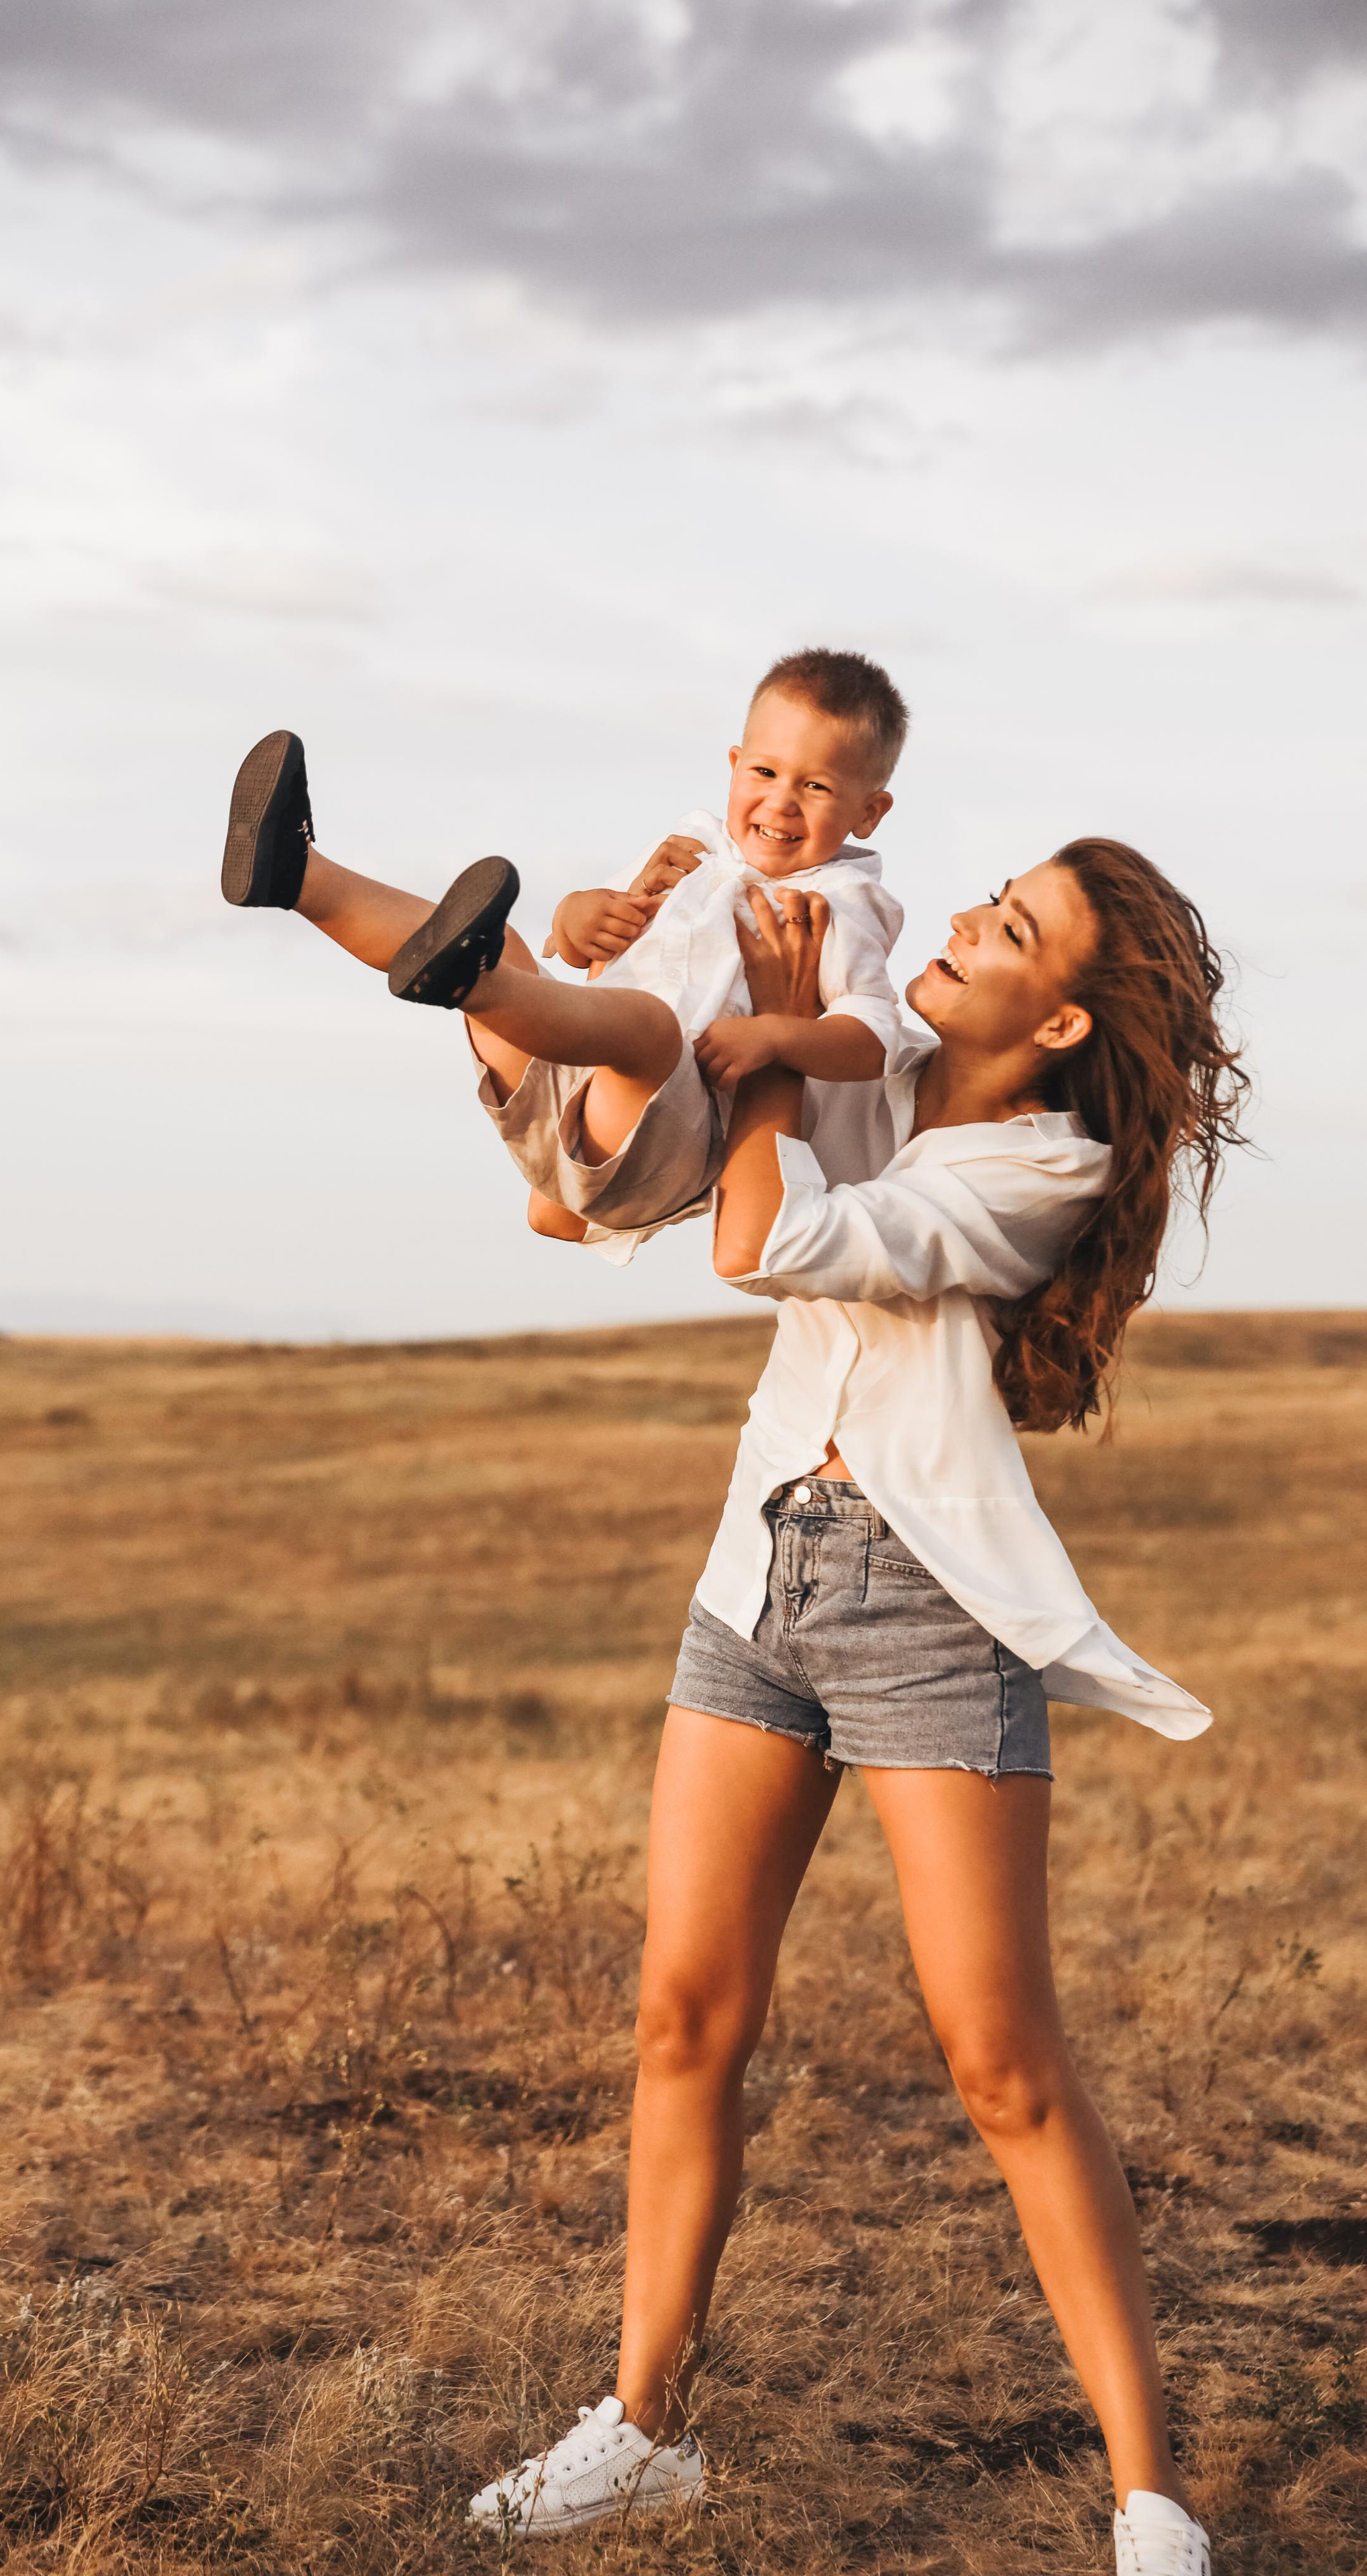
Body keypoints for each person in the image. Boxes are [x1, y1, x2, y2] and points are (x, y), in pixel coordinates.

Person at [466, 839, 1245, 2575]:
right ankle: (644, 2430)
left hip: (923, 1612)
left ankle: (1152, 2502)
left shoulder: (1043, 1162)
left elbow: (761, 1241)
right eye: (992, 894)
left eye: (1014, 929)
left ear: (1055, 1018)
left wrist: (781, 1029)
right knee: (684, 2019)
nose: (969, 920)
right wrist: (647, 1012)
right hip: (759, 1580)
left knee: (1002, 2066)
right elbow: (630, 1173)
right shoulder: (869, 1057)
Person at [219, 649, 906, 1263]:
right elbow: (578, 950)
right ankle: (298, 876)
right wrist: (579, 914)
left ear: (868, 812)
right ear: (733, 765)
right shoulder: (691, 844)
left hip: (664, 1142)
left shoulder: (840, 903)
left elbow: (873, 1035)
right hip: (565, 1096)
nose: (781, 802)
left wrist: (776, 1036)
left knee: (645, 1028)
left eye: (815, 787)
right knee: (515, 950)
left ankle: (472, 984)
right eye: (765, 771)